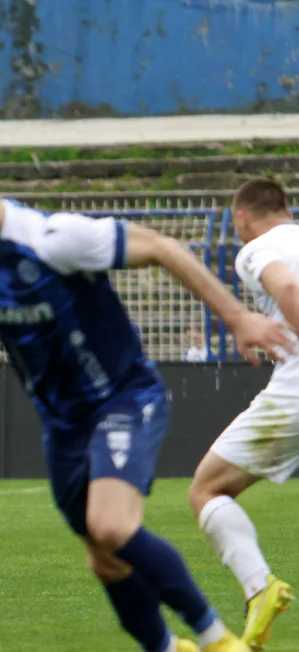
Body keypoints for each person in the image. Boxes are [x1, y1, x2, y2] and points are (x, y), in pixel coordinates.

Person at [0, 140, 293, 652]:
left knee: (111, 526)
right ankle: (166, 647)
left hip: (121, 398)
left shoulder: (54, 238)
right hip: (63, 423)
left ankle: (215, 640)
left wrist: (234, 316)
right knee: (104, 556)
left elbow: (162, 247)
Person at [189, 178, 299, 651]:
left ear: (241, 218)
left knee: (207, 488)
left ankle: (260, 588)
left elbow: (287, 284)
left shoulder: (256, 249)